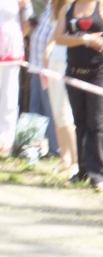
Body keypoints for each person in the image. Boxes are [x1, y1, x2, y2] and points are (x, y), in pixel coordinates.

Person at [53, 0, 103, 191]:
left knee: (97, 123)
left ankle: (99, 175)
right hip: (74, 72)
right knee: (80, 122)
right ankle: (83, 171)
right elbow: (58, 37)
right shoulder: (68, 8)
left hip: (99, 72)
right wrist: (86, 39)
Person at [43, 0, 77, 173]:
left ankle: (76, 160)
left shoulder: (72, 6)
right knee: (57, 111)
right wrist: (47, 51)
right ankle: (65, 157)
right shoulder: (54, 5)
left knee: (65, 111)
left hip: (66, 61)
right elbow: (54, 34)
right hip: (53, 62)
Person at [0, 0, 32, 157]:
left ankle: (6, 142)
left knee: (9, 96)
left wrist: (15, 36)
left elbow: (27, 23)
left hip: (10, 50)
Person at [28, 1, 59, 157]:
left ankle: (56, 149)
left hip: (48, 68)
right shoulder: (48, 6)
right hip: (36, 65)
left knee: (51, 109)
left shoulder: (62, 8)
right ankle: (32, 148)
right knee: (36, 109)